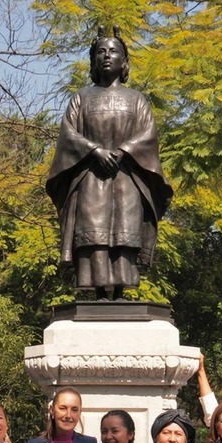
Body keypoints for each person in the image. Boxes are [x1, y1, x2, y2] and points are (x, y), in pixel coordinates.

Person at [45, 31, 172, 298]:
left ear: (124, 62)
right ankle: (99, 292)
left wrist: (125, 151)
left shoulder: (137, 99)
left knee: (125, 231)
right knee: (94, 232)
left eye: (113, 51)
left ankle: (120, 293)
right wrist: (94, 151)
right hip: (92, 176)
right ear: (93, 61)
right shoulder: (81, 97)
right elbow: (68, 133)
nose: (106, 55)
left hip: (127, 177)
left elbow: (149, 134)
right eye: (101, 51)